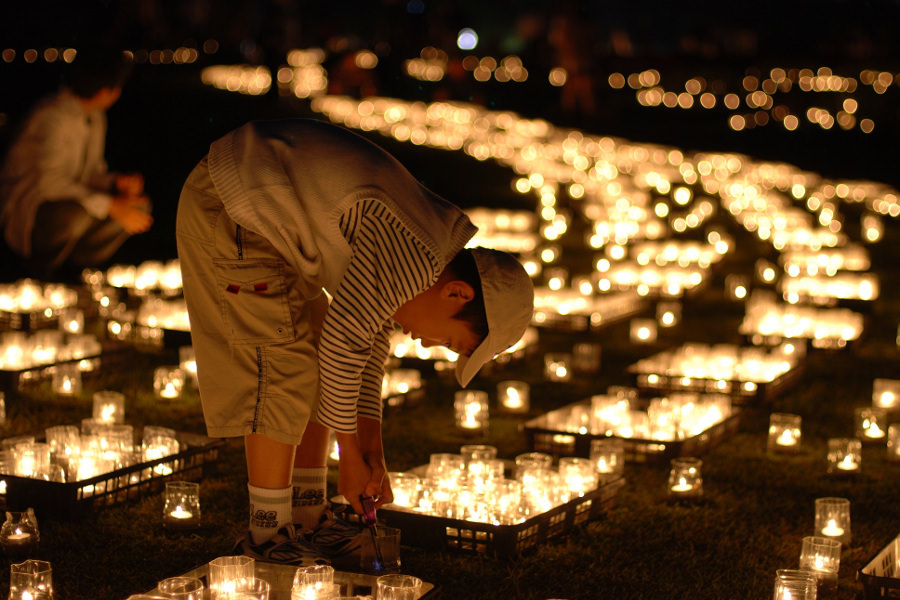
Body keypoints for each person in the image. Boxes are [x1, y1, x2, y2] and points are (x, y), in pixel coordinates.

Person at [175, 118, 534, 565]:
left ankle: (307, 514)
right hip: (236, 203)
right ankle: (267, 536)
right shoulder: (415, 256)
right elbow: (343, 348)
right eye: (447, 339)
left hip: (268, 218)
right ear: (457, 294)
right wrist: (348, 457)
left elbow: (365, 353)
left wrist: (371, 451)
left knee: (312, 361)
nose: (427, 345)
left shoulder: (427, 256)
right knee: (282, 363)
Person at [0, 47, 153, 281]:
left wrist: (116, 183)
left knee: (137, 207)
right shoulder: (53, 117)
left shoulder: (94, 116)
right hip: (28, 213)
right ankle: (38, 270)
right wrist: (111, 205)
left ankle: (73, 270)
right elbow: (50, 184)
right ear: (107, 92)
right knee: (77, 215)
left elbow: (88, 173)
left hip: (67, 200)